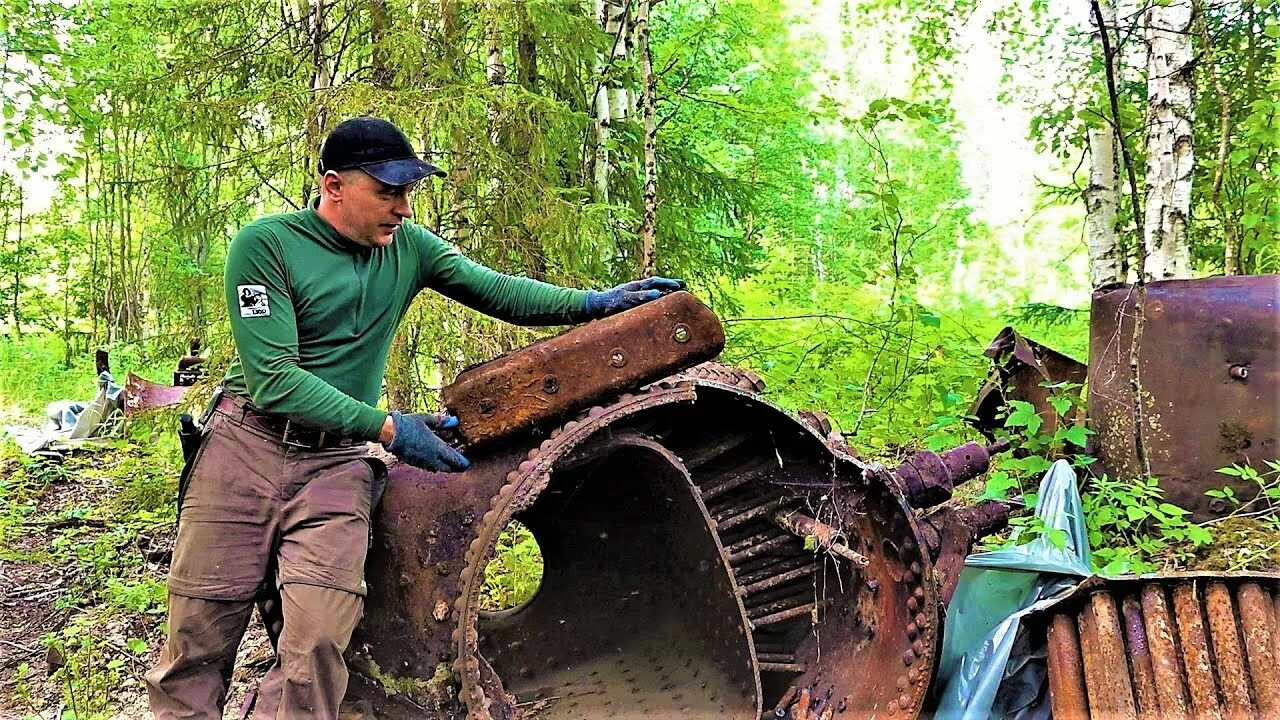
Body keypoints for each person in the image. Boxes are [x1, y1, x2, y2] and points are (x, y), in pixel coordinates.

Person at [145, 116, 682, 719]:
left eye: (407, 192)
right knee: (199, 635)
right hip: (245, 451)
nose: (402, 207)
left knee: (320, 642)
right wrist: (393, 429)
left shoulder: (410, 248)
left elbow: (499, 291)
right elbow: (275, 381)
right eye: (388, 191)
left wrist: (593, 304)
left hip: (336, 466)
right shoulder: (266, 247)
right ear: (333, 186)